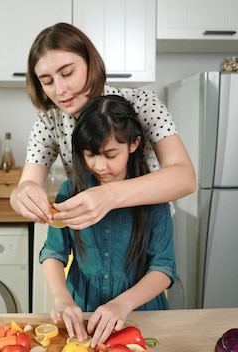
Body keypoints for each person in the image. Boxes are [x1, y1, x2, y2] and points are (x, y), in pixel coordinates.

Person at [10, 22, 196, 230]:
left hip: (147, 234)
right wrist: (20, 194)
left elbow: (185, 178)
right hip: (93, 240)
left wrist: (110, 194)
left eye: (68, 73)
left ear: (91, 64)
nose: (60, 90)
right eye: (47, 81)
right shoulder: (48, 121)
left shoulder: (142, 104)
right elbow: (28, 184)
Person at [39, 95, 175, 347]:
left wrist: (123, 303)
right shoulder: (71, 190)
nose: (99, 166)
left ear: (134, 144)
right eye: (90, 155)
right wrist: (62, 299)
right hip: (85, 312)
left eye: (111, 154)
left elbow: (164, 268)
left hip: (141, 313)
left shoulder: (154, 195)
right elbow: (53, 252)